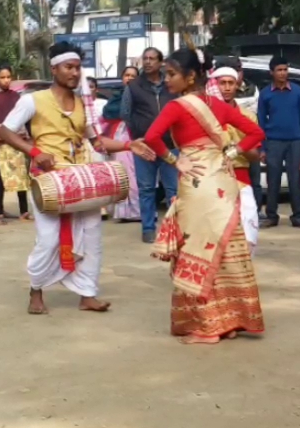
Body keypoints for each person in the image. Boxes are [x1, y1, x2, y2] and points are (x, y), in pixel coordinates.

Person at [0, 43, 146, 315]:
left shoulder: (82, 104)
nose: (74, 73)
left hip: (81, 179)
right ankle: (36, 289)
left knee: (91, 235)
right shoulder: (33, 100)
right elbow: (5, 131)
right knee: (48, 238)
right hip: (48, 181)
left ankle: (87, 293)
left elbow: (97, 141)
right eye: (69, 67)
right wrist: (35, 152)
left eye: (78, 67)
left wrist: (129, 146)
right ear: (54, 69)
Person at [133, 50, 266, 344]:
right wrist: (231, 152)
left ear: (190, 77)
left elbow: (152, 137)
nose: (166, 79)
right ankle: (229, 321)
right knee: (223, 248)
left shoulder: (176, 107)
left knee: (197, 250)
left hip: (195, 184)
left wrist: (174, 160)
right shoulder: (218, 105)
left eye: (171, 74)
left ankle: (208, 327)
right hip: (222, 181)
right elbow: (255, 133)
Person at [122, 47, 177, 243]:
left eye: (152, 58)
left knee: (173, 189)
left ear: (161, 62)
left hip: (170, 144)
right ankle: (148, 228)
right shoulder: (134, 86)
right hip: (144, 146)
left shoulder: (170, 84)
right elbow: (126, 114)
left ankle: (174, 229)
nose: (147, 62)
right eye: (145, 58)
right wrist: (138, 133)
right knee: (146, 188)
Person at [210, 64, 263, 253]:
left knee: (248, 225)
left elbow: (255, 156)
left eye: (230, 83)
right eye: (222, 83)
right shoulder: (206, 116)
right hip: (212, 178)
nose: (226, 87)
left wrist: (237, 148)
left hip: (241, 177)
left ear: (237, 86)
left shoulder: (247, 116)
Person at [258, 55, 300, 228]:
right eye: (279, 70)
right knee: (273, 179)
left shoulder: (297, 91)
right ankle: (271, 215)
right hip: (273, 141)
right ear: (271, 72)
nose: (283, 73)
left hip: (295, 141)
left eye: (285, 69)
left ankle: (298, 215)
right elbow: (261, 122)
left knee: (295, 178)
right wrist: (263, 148)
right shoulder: (266, 94)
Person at [0, 65, 31, 222]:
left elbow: (22, 117)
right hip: (2, 140)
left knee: (21, 175)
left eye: (8, 77)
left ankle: (24, 211)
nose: (6, 80)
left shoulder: (16, 96)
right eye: (2, 77)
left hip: (18, 138)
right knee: (0, 176)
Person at [100, 65, 142, 222]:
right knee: (122, 174)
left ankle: (136, 210)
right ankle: (124, 212)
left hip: (136, 137)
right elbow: (108, 115)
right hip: (119, 138)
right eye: (127, 75)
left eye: (133, 75)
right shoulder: (116, 97)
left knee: (134, 174)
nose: (130, 78)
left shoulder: (142, 96)